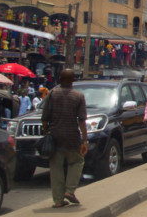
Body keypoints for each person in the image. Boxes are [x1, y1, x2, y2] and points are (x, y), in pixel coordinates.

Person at [41, 69, 87, 208]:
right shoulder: (78, 96)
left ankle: (58, 201)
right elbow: (81, 120)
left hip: (55, 136)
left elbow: (45, 118)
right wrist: (85, 140)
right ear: (73, 81)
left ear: (60, 80)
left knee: (56, 167)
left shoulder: (52, 94)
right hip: (72, 137)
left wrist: (46, 134)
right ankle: (69, 190)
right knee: (77, 162)